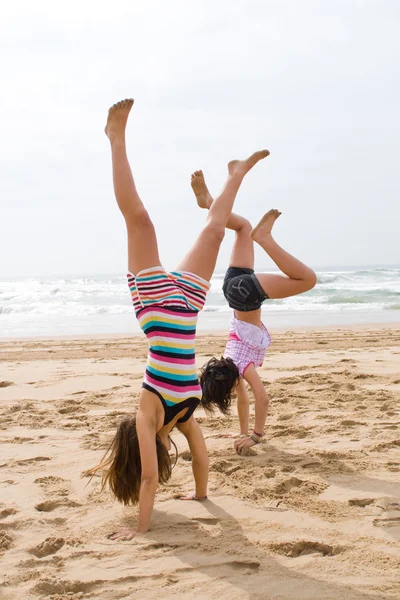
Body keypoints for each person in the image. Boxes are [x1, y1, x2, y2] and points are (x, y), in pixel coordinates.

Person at [84, 98, 269, 540]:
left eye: (154, 450)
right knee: (211, 231)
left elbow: (149, 480)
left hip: (155, 306)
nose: (163, 452)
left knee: (140, 220)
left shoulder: (146, 413)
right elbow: (201, 457)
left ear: (141, 441)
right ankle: (235, 176)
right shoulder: (184, 414)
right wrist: (200, 496)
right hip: (186, 304)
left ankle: (115, 137)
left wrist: (141, 530)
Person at [192, 171, 317, 455]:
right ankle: (211, 203)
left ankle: (265, 239)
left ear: (231, 383)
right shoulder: (230, 358)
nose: (238, 393)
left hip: (247, 295)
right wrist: (242, 431)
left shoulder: (243, 366)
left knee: (307, 280)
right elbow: (244, 401)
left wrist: (256, 437)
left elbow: (262, 399)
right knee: (242, 226)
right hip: (231, 290)